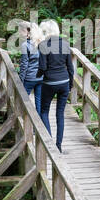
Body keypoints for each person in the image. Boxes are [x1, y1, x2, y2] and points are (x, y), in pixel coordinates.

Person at [37, 19, 75, 152]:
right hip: (64, 82)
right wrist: (70, 85)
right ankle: (58, 146)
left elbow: (42, 67)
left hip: (50, 82)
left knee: (44, 111)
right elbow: (70, 68)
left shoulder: (43, 45)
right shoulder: (64, 44)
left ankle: (49, 143)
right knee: (60, 114)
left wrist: (38, 76)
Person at [17, 21, 43, 115]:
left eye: (20, 31)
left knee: (23, 101)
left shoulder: (25, 45)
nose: (19, 33)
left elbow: (24, 65)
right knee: (39, 103)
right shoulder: (41, 42)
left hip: (30, 78)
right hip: (41, 78)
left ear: (27, 31)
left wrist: (20, 80)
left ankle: (23, 123)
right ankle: (38, 127)